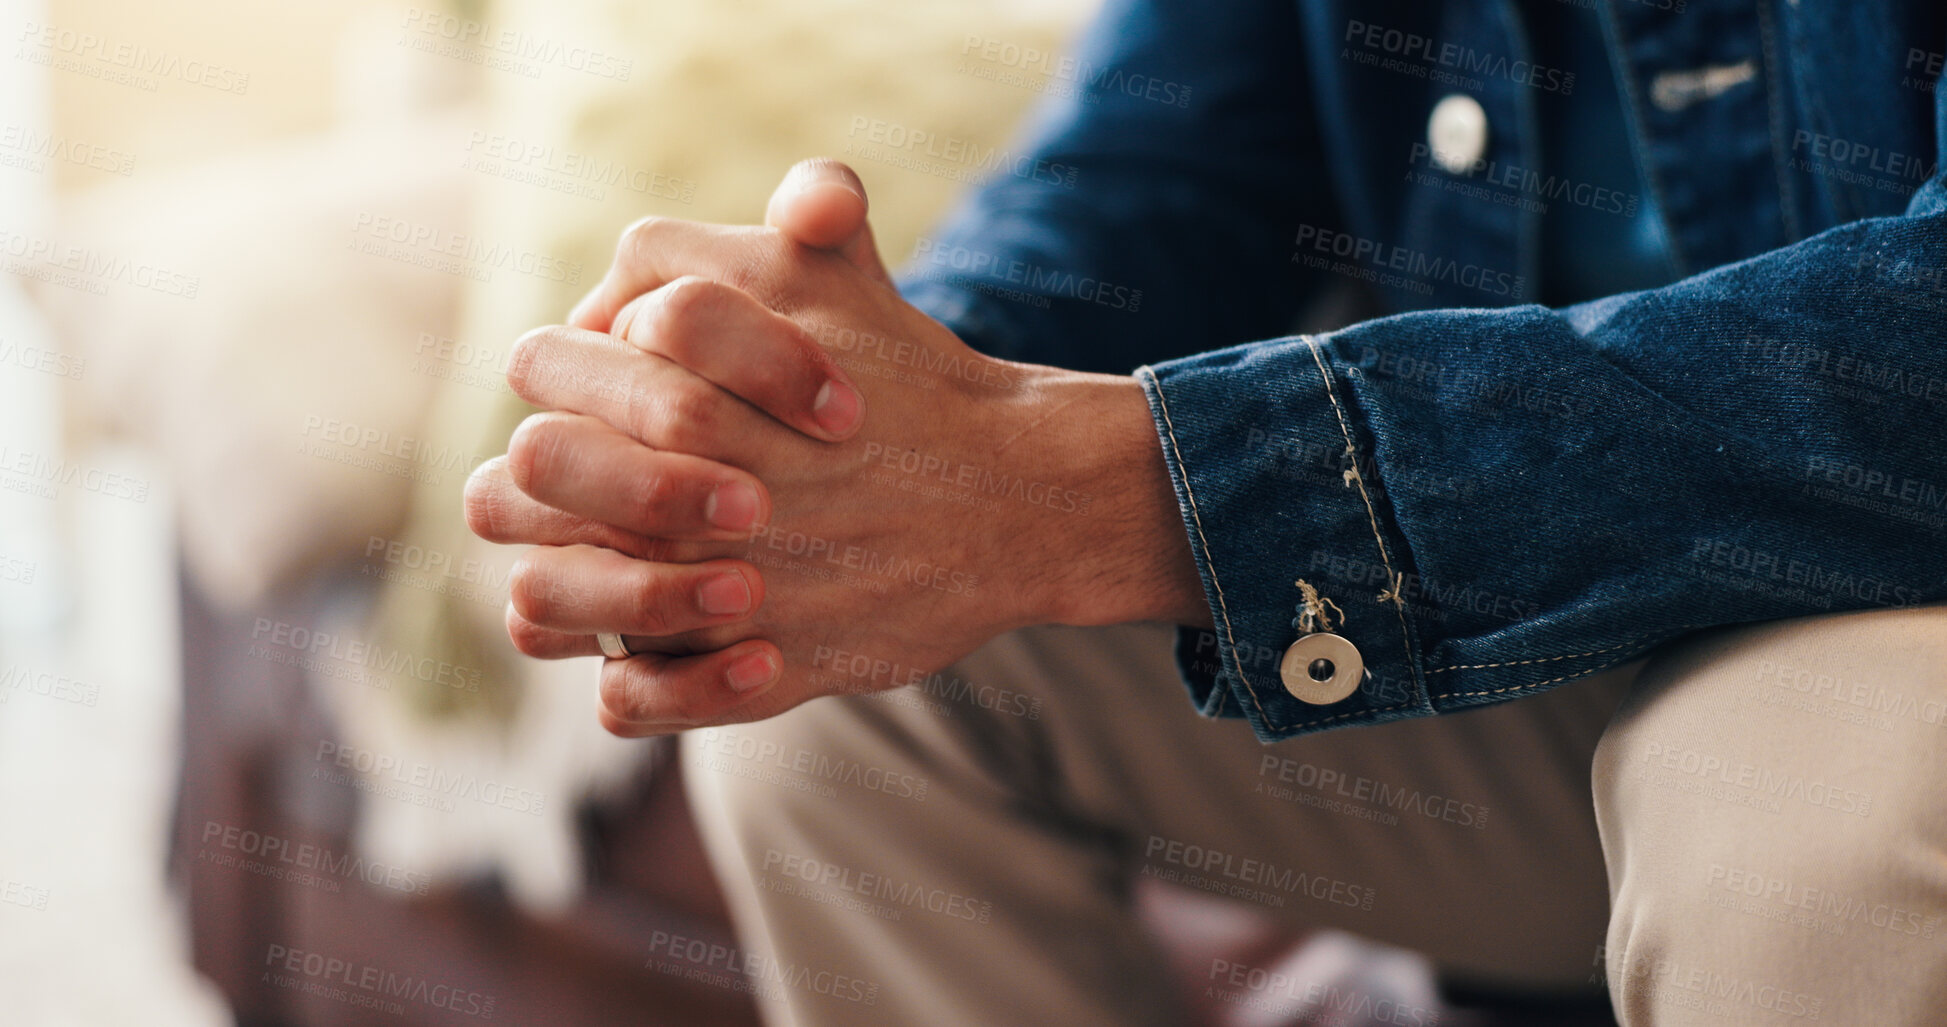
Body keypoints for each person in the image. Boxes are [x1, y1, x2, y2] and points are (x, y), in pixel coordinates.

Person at [462, 0, 1947, 1022]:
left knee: (1780, 822)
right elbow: (1163, 164)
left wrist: (1151, 487)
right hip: (1539, 598)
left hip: (1892, 605)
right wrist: (857, 429)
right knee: (844, 638)